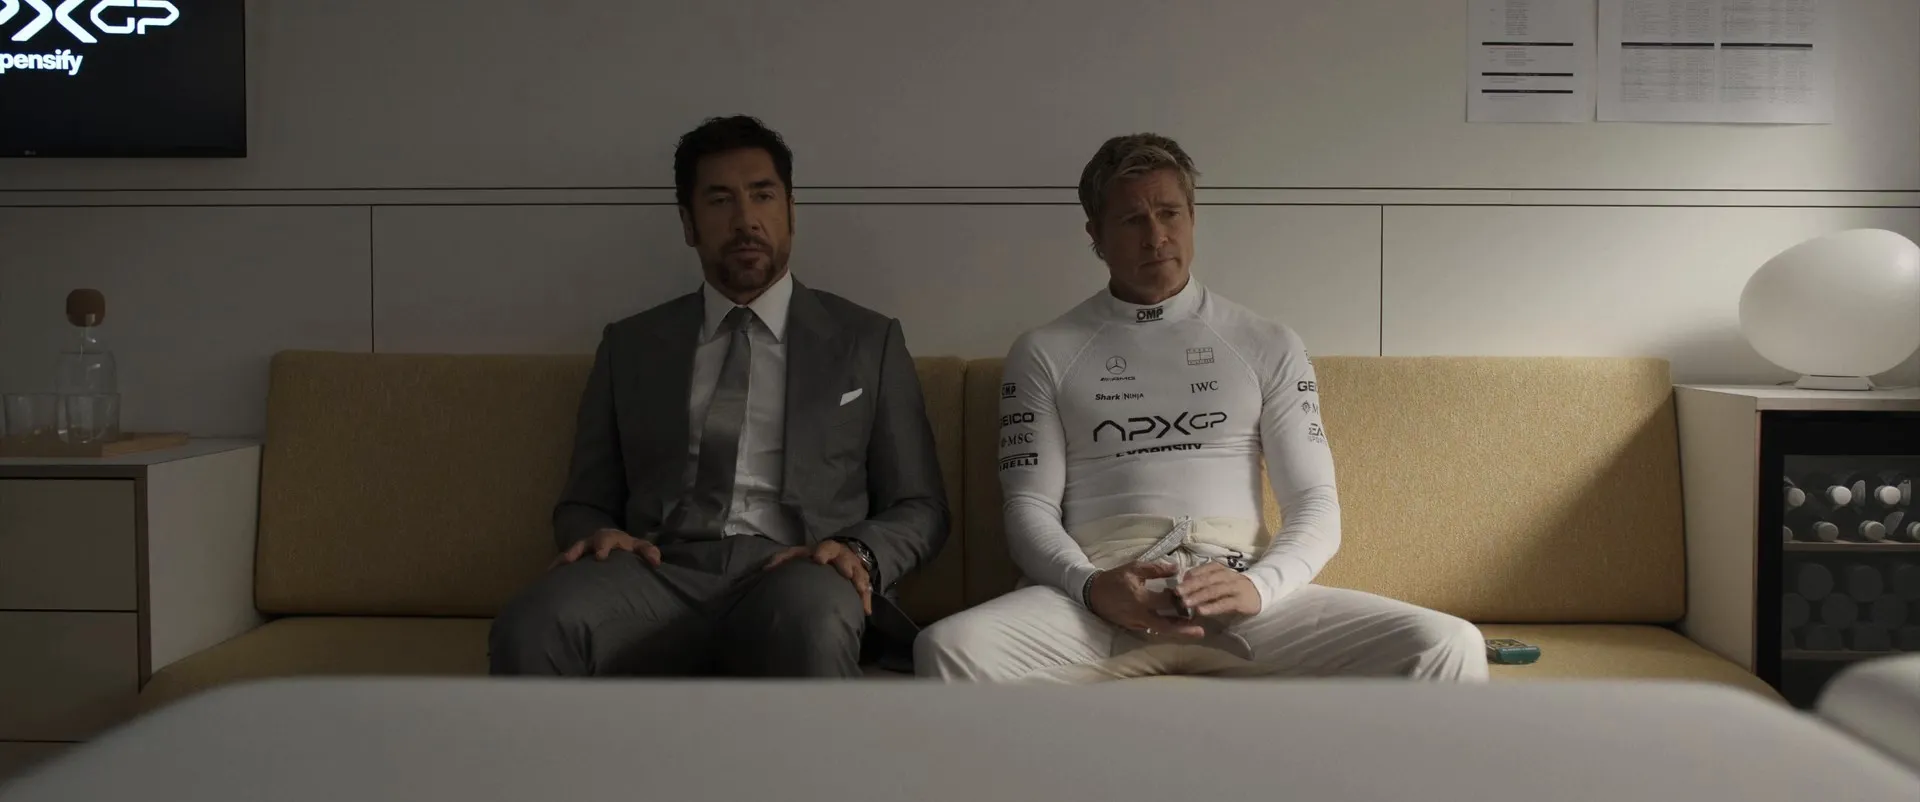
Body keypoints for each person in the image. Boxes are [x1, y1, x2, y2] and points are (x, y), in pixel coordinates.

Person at [914, 134, 1487, 682]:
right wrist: (1091, 586)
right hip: (1100, 600)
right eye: (1132, 220)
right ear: (1096, 234)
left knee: (1447, 644)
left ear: (1192, 217)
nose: (1155, 237)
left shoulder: (1267, 343)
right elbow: (1028, 508)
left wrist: (1260, 587)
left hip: (1240, 590)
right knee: (947, 649)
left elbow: (1315, 503)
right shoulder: (1045, 351)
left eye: (1169, 213)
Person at [490, 115, 949, 678]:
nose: (745, 220)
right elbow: (583, 500)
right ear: (689, 223)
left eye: (762, 195)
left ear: (791, 211)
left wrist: (859, 551)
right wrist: (595, 535)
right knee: (532, 624)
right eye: (720, 200)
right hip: (658, 569)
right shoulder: (630, 346)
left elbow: (921, 506)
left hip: (798, 569)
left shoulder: (867, 341)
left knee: (813, 623)